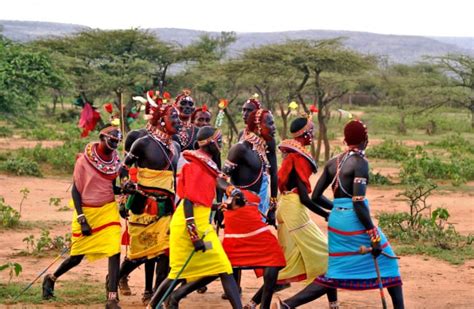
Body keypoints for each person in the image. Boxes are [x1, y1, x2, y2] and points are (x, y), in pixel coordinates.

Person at [274, 120, 404, 309]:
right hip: (354, 220)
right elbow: (358, 203)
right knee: (389, 264)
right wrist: (373, 235)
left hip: (336, 220)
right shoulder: (360, 163)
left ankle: (287, 305)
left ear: (345, 139)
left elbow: (317, 196)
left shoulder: (333, 162)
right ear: (365, 140)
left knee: (333, 274)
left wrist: (338, 209)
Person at [147, 127, 243, 309]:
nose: (221, 145)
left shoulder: (207, 164)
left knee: (222, 266)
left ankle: (175, 297)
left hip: (202, 225)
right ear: (210, 143)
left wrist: (231, 196)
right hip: (187, 227)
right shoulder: (194, 167)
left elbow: (218, 183)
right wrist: (194, 235)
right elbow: (189, 202)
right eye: (219, 141)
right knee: (176, 273)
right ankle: (154, 305)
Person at [42, 124, 123, 309]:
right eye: (112, 140)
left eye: (117, 141)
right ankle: (51, 278)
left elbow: (110, 187)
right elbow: (76, 191)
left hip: (108, 209)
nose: (115, 144)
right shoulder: (83, 161)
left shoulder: (115, 160)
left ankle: (111, 298)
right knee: (77, 256)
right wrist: (81, 218)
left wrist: (124, 189)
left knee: (114, 250)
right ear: (102, 138)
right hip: (86, 211)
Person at [117, 93, 181, 305]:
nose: (179, 122)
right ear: (162, 120)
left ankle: (156, 296)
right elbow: (123, 168)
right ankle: (115, 278)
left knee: (165, 251)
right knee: (140, 254)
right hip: (143, 205)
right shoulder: (143, 143)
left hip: (167, 206)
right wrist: (126, 183)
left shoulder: (176, 147)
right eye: (174, 118)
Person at [223, 109, 286, 309]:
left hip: (254, 208)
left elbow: (273, 175)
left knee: (237, 260)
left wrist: (272, 206)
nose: (274, 127)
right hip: (240, 209)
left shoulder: (263, 149)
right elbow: (221, 178)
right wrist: (232, 192)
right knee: (271, 256)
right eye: (271, 123)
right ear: (258, 127)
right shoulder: (240, 148)